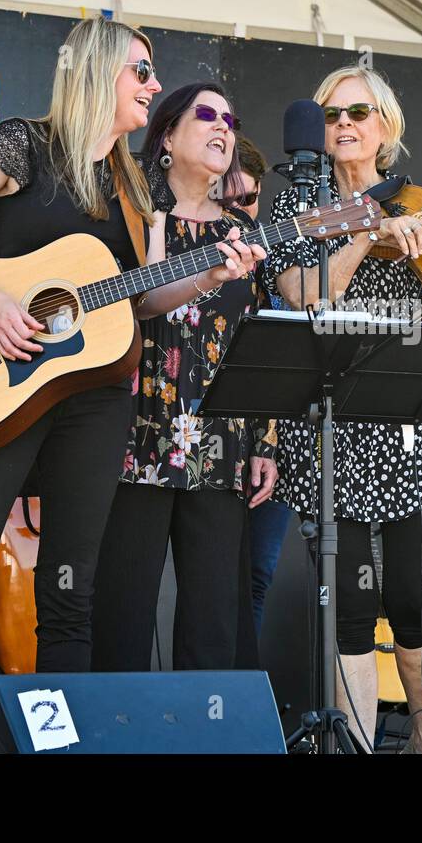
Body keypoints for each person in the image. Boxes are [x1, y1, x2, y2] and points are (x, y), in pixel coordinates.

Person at [0, 19, 262, 714]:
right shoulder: (24, 144)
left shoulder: (135, 187)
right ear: (95, 72)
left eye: (153, 73)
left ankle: (62, 741)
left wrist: (208, 277)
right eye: (139, 71)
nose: (154, 85)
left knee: (69, 590)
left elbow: (141, 300)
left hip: (93, 401)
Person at [263, 65, 422, 753]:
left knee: (413, 599)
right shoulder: (300, 215)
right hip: (331, 420)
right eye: (332, 114)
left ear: (385, 128)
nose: (345, 124)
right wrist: (363, 234)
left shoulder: (421, 208)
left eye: (360, 113)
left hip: (405, 419)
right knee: (348, 606)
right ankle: (361, 747)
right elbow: (304, 295)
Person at [91, 84, 273, 673]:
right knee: (121, 613)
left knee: (214, 622)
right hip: (130, 436)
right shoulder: (131, 214)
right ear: (167, 135)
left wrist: (264, 440)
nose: (224, 126)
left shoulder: (244, 232)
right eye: (206, 115)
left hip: (220, 444)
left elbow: (258, 342)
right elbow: (123, 305)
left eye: (231, 116)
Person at [230, 134, 297, 638]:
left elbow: (283, 355)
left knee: (255, 576)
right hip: (207, 438)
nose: (239, 212)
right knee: (210, 580)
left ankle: (240, 704)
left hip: (271, 438)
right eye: (227, 201)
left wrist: (267, 441)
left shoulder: (276, 252)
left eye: (249, 199)